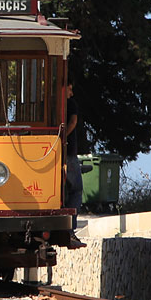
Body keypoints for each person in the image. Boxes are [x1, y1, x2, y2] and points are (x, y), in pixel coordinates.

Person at [64, 82, 83, 224]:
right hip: (69, 153)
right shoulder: (70, 103)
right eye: (70, 89)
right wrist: (62, 137)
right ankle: (71, 226)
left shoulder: (45, 103)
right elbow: (73, 121)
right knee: (76, 190)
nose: (71, 93)